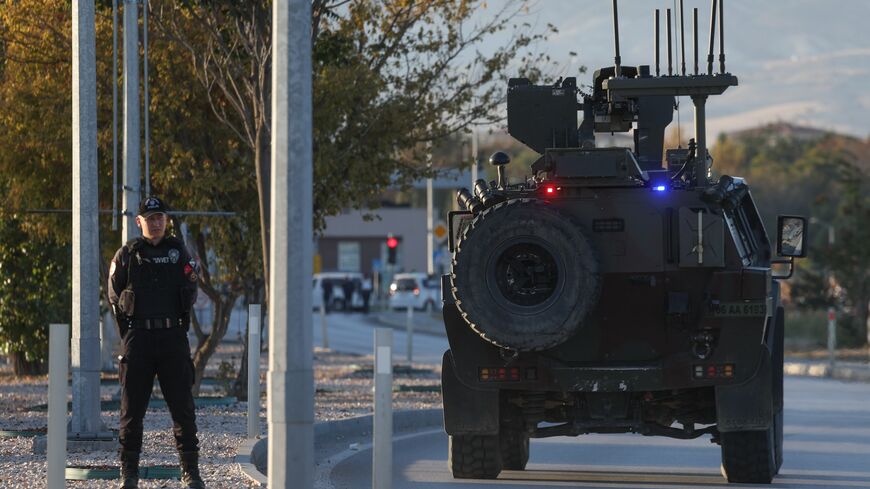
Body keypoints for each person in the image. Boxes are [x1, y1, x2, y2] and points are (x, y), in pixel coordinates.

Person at [108, 197, 205, 489]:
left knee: (183, 408)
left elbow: (191, 292)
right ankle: (129, 474)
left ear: (167, 220)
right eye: (150, 218)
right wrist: (129, 337)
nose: (156, 222)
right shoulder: (127, 255)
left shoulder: (179, 252)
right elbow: (114, 298)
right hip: (138, 340)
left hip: (172, 339)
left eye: (160, 217)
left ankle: (191, 473)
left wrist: (179, 330)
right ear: (139, 222)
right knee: (131, 410)